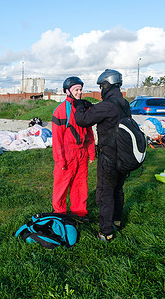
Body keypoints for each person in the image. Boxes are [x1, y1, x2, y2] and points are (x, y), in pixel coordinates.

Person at [74, 69, 130, 241]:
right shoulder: (124, 103)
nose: (100, 90)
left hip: (109, 156)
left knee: (105, 193)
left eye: (101, 86)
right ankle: (117, 220)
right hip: (123, 156)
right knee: (118, 190)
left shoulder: (107, 105)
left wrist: (79, 106)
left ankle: (106, 232)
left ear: (107, 85)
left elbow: (82, 120)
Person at [51, 76, 95, 222]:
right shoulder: (60, 111)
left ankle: (79, 213)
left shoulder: (83, 108)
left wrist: (91, 153)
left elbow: (89, 132)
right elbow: (57, 139)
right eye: (76, 90)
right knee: (61, 185)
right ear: (67, 91)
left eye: (80, 89)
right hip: (67, 154)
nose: (79, 92)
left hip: (81, 153)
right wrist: (60, 160)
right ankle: (60, 214)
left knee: (80, 184)